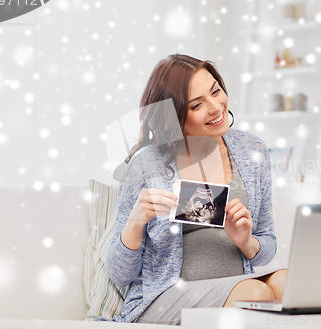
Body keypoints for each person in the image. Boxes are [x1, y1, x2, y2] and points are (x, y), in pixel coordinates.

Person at [106, 54, 286, 326]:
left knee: (287, 284)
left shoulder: (252, 151)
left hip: (236, 282)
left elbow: (267, 247)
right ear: (174, 116)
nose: (216, 107)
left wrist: (245, 241)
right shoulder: (147, 164)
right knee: (254, 294)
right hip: (165, 296)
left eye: (216, 91)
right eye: (197, 105)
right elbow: (121, 274)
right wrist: (134, 222)